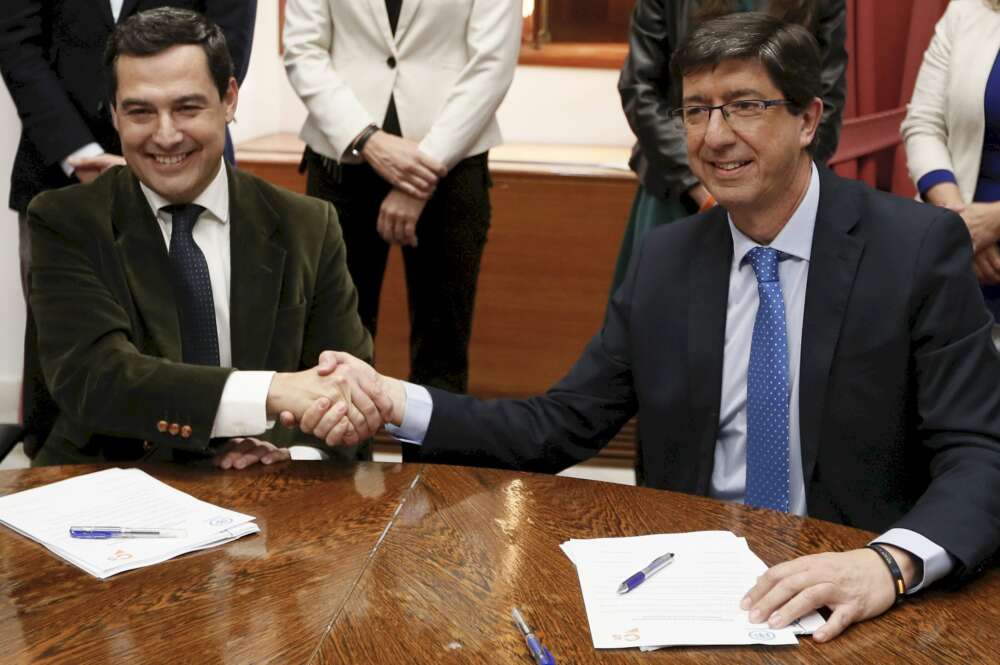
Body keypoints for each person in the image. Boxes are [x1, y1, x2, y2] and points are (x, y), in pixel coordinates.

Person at [296, 13, 1000, 642]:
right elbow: (554, 426)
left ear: (809, 118)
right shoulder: (667, 260)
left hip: (855, 598)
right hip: (690, 598)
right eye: (696, 110)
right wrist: (397, 400)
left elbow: (981, 454)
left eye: (745, 107)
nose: (716, 136)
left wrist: (889, 563)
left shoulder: (913, 249)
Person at [26, 8, 381, 469]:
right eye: (140, 112)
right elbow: (98, 378)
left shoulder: (308, 225)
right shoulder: (66, 221)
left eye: (187, 107)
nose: (166, 135)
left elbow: (349, 395)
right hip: (107, 485)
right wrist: (268, 392)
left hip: (269, 497)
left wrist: (291, 455)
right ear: (113, 114)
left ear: (229, 99)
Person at [0, 0, 257, 457]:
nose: (161, 130)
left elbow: (226, 43)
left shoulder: (301, 223)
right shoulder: (56, 218)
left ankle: (212, 451)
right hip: (55, 165)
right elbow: (17, 42)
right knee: (68, 369)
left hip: (193, 162)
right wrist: (79, 154)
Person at [282, 0, 521, 459]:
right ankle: (334, 499)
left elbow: (491, 64)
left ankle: (435, 498)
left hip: (453, 165)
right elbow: (303, 49)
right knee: (333, 348)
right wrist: (368, 140)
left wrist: (425, 169)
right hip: (341, 158)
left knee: (442, 347)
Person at [613, 0, 847, 290]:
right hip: (679, 185)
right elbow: (639, 88)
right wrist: (701, 184)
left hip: (780, 200)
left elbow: (826, 99)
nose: (720, 134)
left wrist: (782, 191)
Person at [901, 0, 1000, 341]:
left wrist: (994, 221)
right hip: (957, 265)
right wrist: (958, 224)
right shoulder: (967, 10)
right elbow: (924, 123)